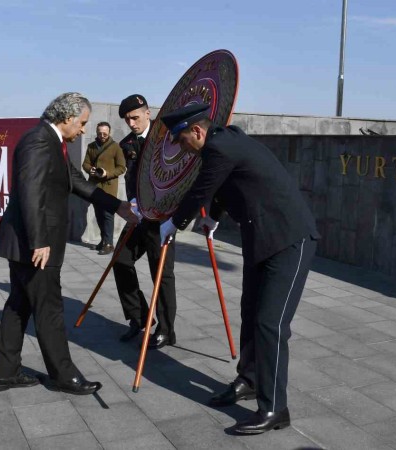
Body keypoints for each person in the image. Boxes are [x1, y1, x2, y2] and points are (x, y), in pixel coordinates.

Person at [159, 104, 320, 435]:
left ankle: (275, 408)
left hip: (290, 239)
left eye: (182, 140)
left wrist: (174, 222)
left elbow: (202, 188)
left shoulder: (220, 147)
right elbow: (222, 185)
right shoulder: (224, 143)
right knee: (251, 312)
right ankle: (249, 379)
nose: (182, 148)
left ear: (198, 131)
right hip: (262, 237)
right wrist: (214, 216)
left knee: (270, 323)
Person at [0, 92, 139, 394]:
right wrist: (39, 242)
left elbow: (77, 182)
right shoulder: (38, 141)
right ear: (68, 118)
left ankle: (5, 373)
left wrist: (118, 206)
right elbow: (31, 192)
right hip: (34, 245)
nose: (84, 129)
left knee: (18, 305)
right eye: (83, 123)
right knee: (49, 309)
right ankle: (63, 375)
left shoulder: (52, 141)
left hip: (26, 242)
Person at [113, 94, 178, 349]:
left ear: (148, 113)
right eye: (127, 119)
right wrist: (132, 204)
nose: (131, 123)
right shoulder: (126, 143)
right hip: (139, 217)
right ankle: (140, 317)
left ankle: (166, 329)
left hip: (162, 219)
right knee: (120, 260)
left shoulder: (166, 138)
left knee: (161, 273)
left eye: (135, 117)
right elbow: (130, 179)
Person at [83, 121, 126, 255]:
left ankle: (109, 244)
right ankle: (103, 240)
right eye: (100, 133)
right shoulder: (91, 146)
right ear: (96, 132)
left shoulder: (116, 147)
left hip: (109, 187)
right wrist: (90, 170)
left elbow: (121, 167)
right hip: (95, 186)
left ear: (109, 132)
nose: (102, 135)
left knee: (108, 215)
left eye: (105, 133)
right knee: (98, 214)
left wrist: (108, 174)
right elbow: (85, 164)